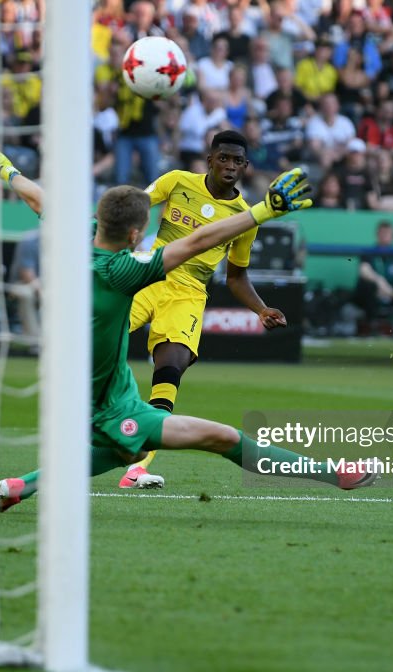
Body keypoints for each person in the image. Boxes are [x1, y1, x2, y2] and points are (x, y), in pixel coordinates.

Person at [0, 141, 378, 514]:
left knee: (124, 450)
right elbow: (195, 244)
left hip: (81, 386)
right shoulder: (127, 270)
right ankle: (333, 473)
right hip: (107, 404)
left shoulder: (81, 236)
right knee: (224, 438)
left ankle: (21, 487)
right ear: (135, 233)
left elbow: (39, 199)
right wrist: (263, 211)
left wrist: (3, 167)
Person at [122, 130, 292, 490]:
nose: (230, 166)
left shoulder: (245, 216)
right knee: (97, 343)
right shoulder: (177, 181)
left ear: (245, 167)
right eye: (224, 158)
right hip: (149, 273)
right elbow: (135, 207)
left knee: (171, 367)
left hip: (188, 293)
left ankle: (138, 466)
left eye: (237, 161)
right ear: (209, 159)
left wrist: (260, 309)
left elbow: (236, 277)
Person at [354, 220, 393, 323]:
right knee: (368, 287)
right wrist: (379, 281)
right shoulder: (368, 252)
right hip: (374, 292)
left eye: (388, 233)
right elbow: (364, 270)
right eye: (382, 233)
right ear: (377, 234)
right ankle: (372, 328)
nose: (385, 236)